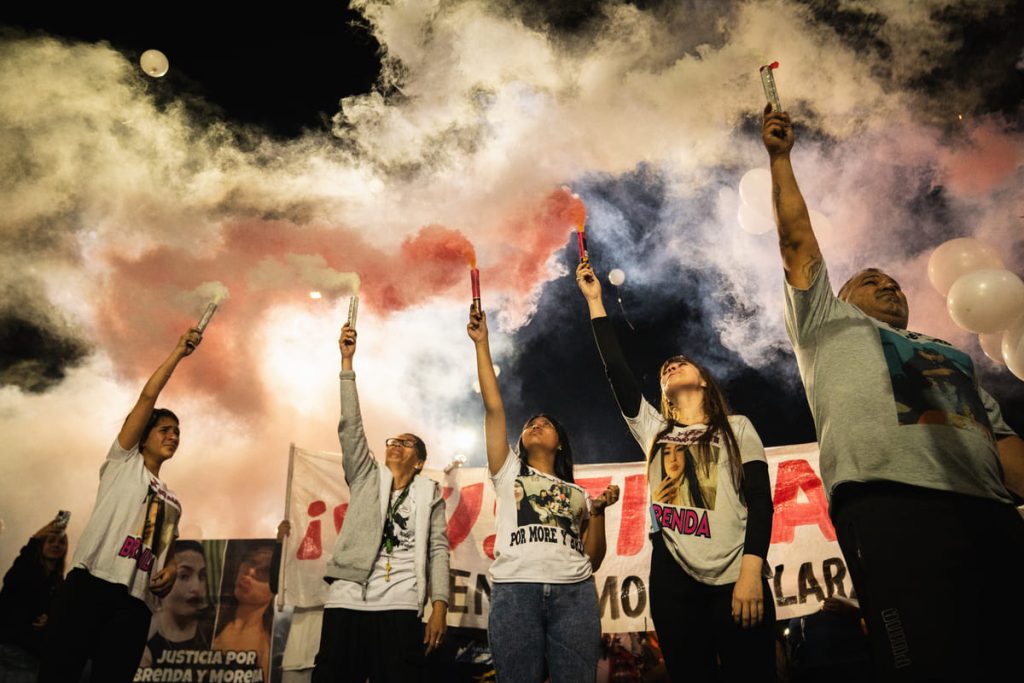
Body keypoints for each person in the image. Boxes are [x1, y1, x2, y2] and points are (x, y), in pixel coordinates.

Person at [762, 104, 1024, 680]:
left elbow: (1001, 438)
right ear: (840, 295)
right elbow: (796, 241)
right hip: (892, 505)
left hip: (992, 512)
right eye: (870, 280)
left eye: (895, 283)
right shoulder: (825, 323)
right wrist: (781, 159)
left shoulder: (950, 354)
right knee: (924, 662)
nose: (888, 282)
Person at [576, 262, 777, 682]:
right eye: (666, 369)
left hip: (736, 577)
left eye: (682, 364)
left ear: (704, 382)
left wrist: (752, 572)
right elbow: (617, 371)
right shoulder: (653, 430)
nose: (671, 366)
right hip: (675, 585)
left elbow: (760, 499)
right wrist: (596, 302)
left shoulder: (736, 427)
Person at [39, 328, 201, 683]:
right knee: (58, 673)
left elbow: (167, 549)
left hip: (135, 602)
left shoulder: (173, 500)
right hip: (92, 583)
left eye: (178, 432)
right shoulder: (123, 463)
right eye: (165, 429)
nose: (174, 436)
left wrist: (172, 568)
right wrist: (177, 353)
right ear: (141, 437)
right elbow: (147, 397)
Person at [468, 305, 620, 683]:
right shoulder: (507, 471)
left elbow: (594, 559)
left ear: (560, 446)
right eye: (531, 423)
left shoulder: (578, 494)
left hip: (575, 595)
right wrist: (482, 344)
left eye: (546, 424)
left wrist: (597, 512)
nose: (536, 424)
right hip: (515, 592)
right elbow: (494, 408)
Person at [312, 322, 450, 683]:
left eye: (406, 444)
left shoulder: (429, 492)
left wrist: (439, 606)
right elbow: (351, 427)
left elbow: (438, 550)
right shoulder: (365, 476)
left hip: (400, 601)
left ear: (419, 461)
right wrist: (347, 364)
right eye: (392, 440)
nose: (395, 444)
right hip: (347, 596)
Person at [0, 516, 67, 682]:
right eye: (50, 540)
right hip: (10, 650)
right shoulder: (27, 570)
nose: (56, 545)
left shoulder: (59, 583)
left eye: (61, 542)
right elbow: (21, 566)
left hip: (32, 655)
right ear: (41, 545)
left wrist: (51, 618)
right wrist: (36, 538)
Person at [140, 540, 211, 665]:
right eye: (184, 576)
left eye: (202, 576)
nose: (196, 588)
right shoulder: (142, 636)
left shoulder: (216, 636)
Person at [213, 542, 275, 682]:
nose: (251, 572)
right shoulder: (208, 623)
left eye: (264, 571)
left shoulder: (267, 647)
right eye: (250, 562)